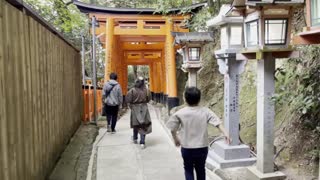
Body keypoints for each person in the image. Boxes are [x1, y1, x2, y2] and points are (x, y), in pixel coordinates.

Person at [166, 87, 231, 180]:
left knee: (188, 169)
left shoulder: (180, 113)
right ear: (199, 99)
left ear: (185, 99)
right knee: (200, 169)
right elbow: (217, 123)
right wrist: (226, 133)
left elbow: (172, 129)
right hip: (202, 148)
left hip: (187, 148)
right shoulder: (206, 111)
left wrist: (176, 139)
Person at [126, 77, 152, 149]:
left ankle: (135, 138)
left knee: (136, 124)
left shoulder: (132, 90)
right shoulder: (147, 90)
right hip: (144, 108)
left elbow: (128, 99)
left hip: (135, 108)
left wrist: (131, 106)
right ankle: (142, 142)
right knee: (144, 125)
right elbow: (149, 99)